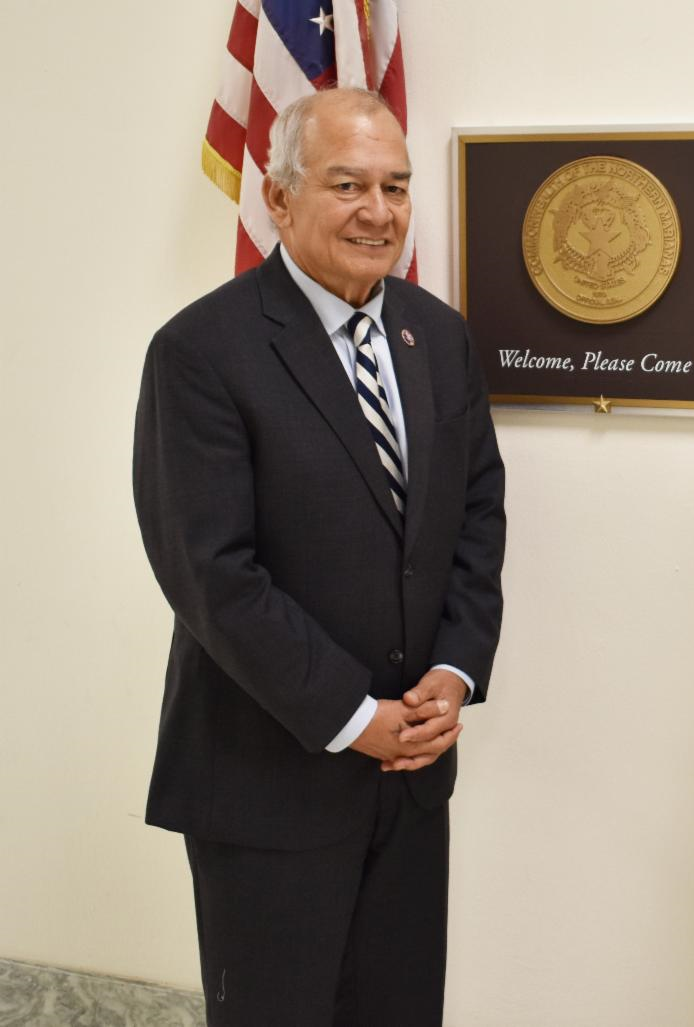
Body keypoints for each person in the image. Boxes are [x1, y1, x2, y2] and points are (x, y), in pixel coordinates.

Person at [133, 87, 505, 1026]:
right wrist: (351, 713)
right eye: (348, 184)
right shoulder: (201, 352)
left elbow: (476, 515)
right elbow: (213, 572)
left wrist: (454, 673)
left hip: (414, 776)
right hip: (267, 783)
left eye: (396, 186)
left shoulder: (439, 337)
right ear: (279, 196)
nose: (378, 212)